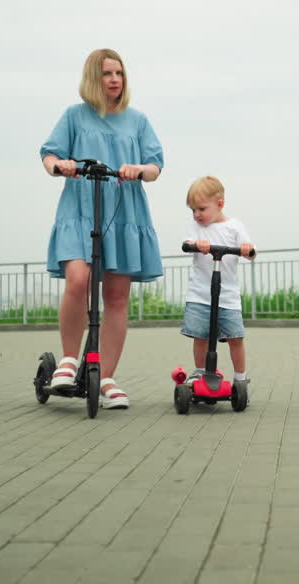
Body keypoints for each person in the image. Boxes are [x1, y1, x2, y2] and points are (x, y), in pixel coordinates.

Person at [40, 48, 163, 409]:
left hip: (123, 211)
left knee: (116, 297)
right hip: (81, 206)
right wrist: (60, 165)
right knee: (78, 279)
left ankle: (106, 376)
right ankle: (67, 359)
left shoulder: (137, 120)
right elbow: (48, 154)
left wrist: (137, 169)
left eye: (119, 74)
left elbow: (156, 166)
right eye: (108, 73)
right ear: (94, 79)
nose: (114, 80)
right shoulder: (74, 117)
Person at [181, 176, 256, 384]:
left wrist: (247, 249)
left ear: (220, 204)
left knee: (236, 338)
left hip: (228, 298)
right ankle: (200, 371)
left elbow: (250, 251)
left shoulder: (234, 227)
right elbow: (188, 243)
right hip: (200, 295)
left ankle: (241, 378)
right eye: (193, 210)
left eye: (202, 209)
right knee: (201, 336)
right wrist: (196, 244)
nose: (197, 214)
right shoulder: (197, 228)